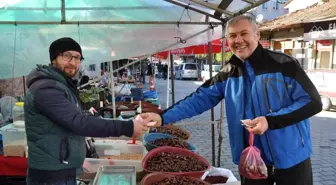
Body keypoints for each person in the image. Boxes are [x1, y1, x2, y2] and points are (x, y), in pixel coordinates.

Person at [140, 15, 322, 185]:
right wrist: (163, 117)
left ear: (257, 35)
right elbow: (199, 99)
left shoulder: (283, 64)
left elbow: (312, 102)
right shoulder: (229, 72)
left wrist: (270, 121)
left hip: (292, 157)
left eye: (244, 34)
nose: (238, 40)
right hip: (250, 160)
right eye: (232, 36)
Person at [24, 37, 150, 185]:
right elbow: (78, 123)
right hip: (51, 175)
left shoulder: (62, 85)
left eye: (77, 58)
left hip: (63, 168)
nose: (73, 62)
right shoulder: (46, 88)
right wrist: (127, 127)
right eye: (67, 56)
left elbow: (75, 118)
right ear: (54, 59)